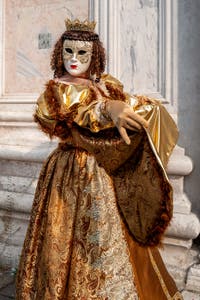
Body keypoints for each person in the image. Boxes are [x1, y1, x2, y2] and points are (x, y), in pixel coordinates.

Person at [16, 19, 183, 300]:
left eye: (82, 53)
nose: (74, 59)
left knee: (110, 236)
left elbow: (127, 109)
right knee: (70, 238)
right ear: (60, 52)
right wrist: (107, 110)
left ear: (95, 56)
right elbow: (77, 116)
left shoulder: (105, 85)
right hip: (70, 170)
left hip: (106, 171)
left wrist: (138, 108)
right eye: (69, 51)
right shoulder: (57, 91)